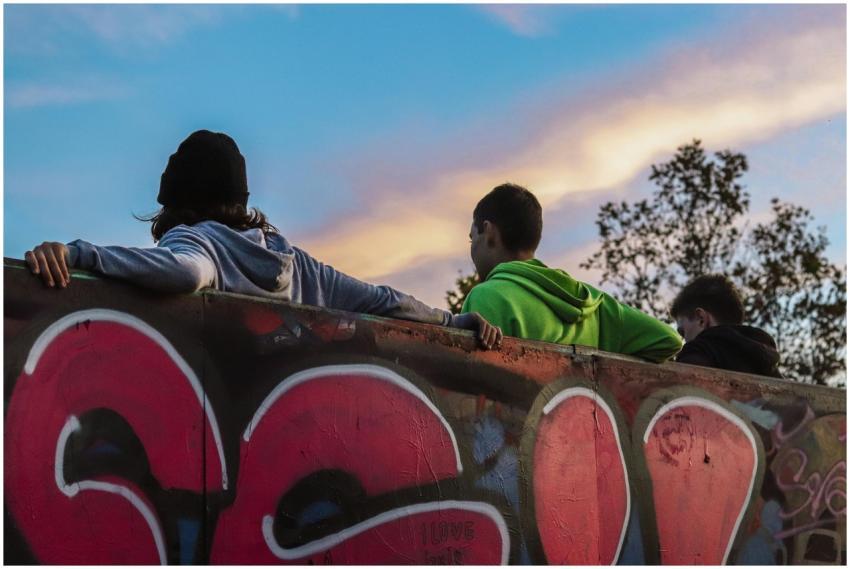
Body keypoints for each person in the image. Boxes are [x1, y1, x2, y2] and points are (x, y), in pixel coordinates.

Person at [25, 129, 502, 349]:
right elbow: (384, 300)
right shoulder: (293, 263)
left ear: (175, 207)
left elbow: (186, 271)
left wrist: (77, 253)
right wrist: (452, 320)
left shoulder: (200, 241)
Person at [461, 183, 682, 362]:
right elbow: (668, 340)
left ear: (489, 232)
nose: (472, 248)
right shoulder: (594, 304)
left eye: (473, 237)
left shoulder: (487, 296)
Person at [671, 274, 782, 377]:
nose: (684, 340)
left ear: (701, 319)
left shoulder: (698, 353)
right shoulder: (770, 369)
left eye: (682, 332)